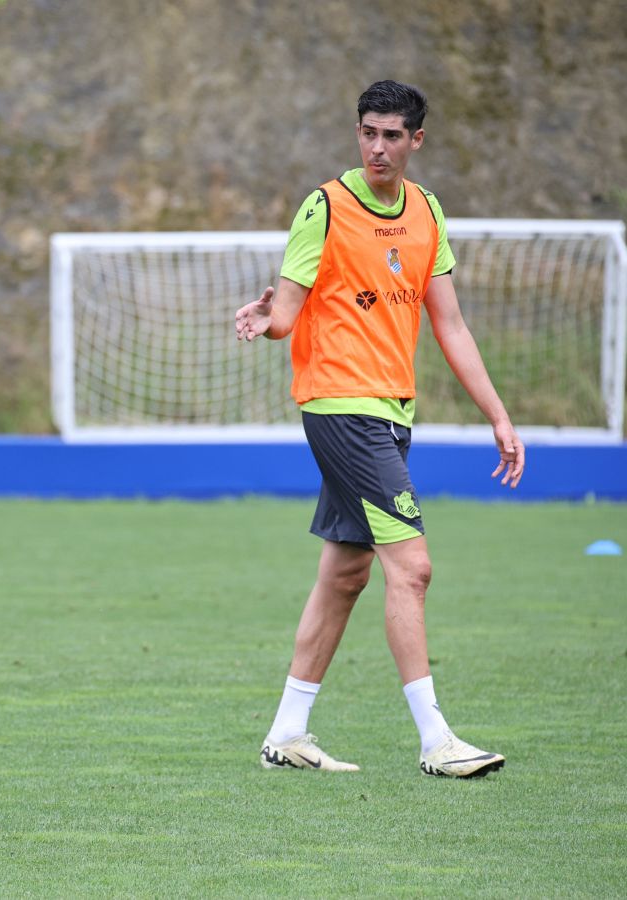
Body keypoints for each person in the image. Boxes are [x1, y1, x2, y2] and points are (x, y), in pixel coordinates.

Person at [235, 80, 524, 779]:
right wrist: (267, 318)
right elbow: (288, 312)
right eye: (368, 131)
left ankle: (287, 733)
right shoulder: (326, 207)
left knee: (346, 573)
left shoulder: (426, 210)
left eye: (393, 135)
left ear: (416, 140)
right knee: (413, 567)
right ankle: (436, 742)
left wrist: (498, 414)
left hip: (391, 412)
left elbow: (449, 323)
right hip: (340, 406)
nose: (377, 147)